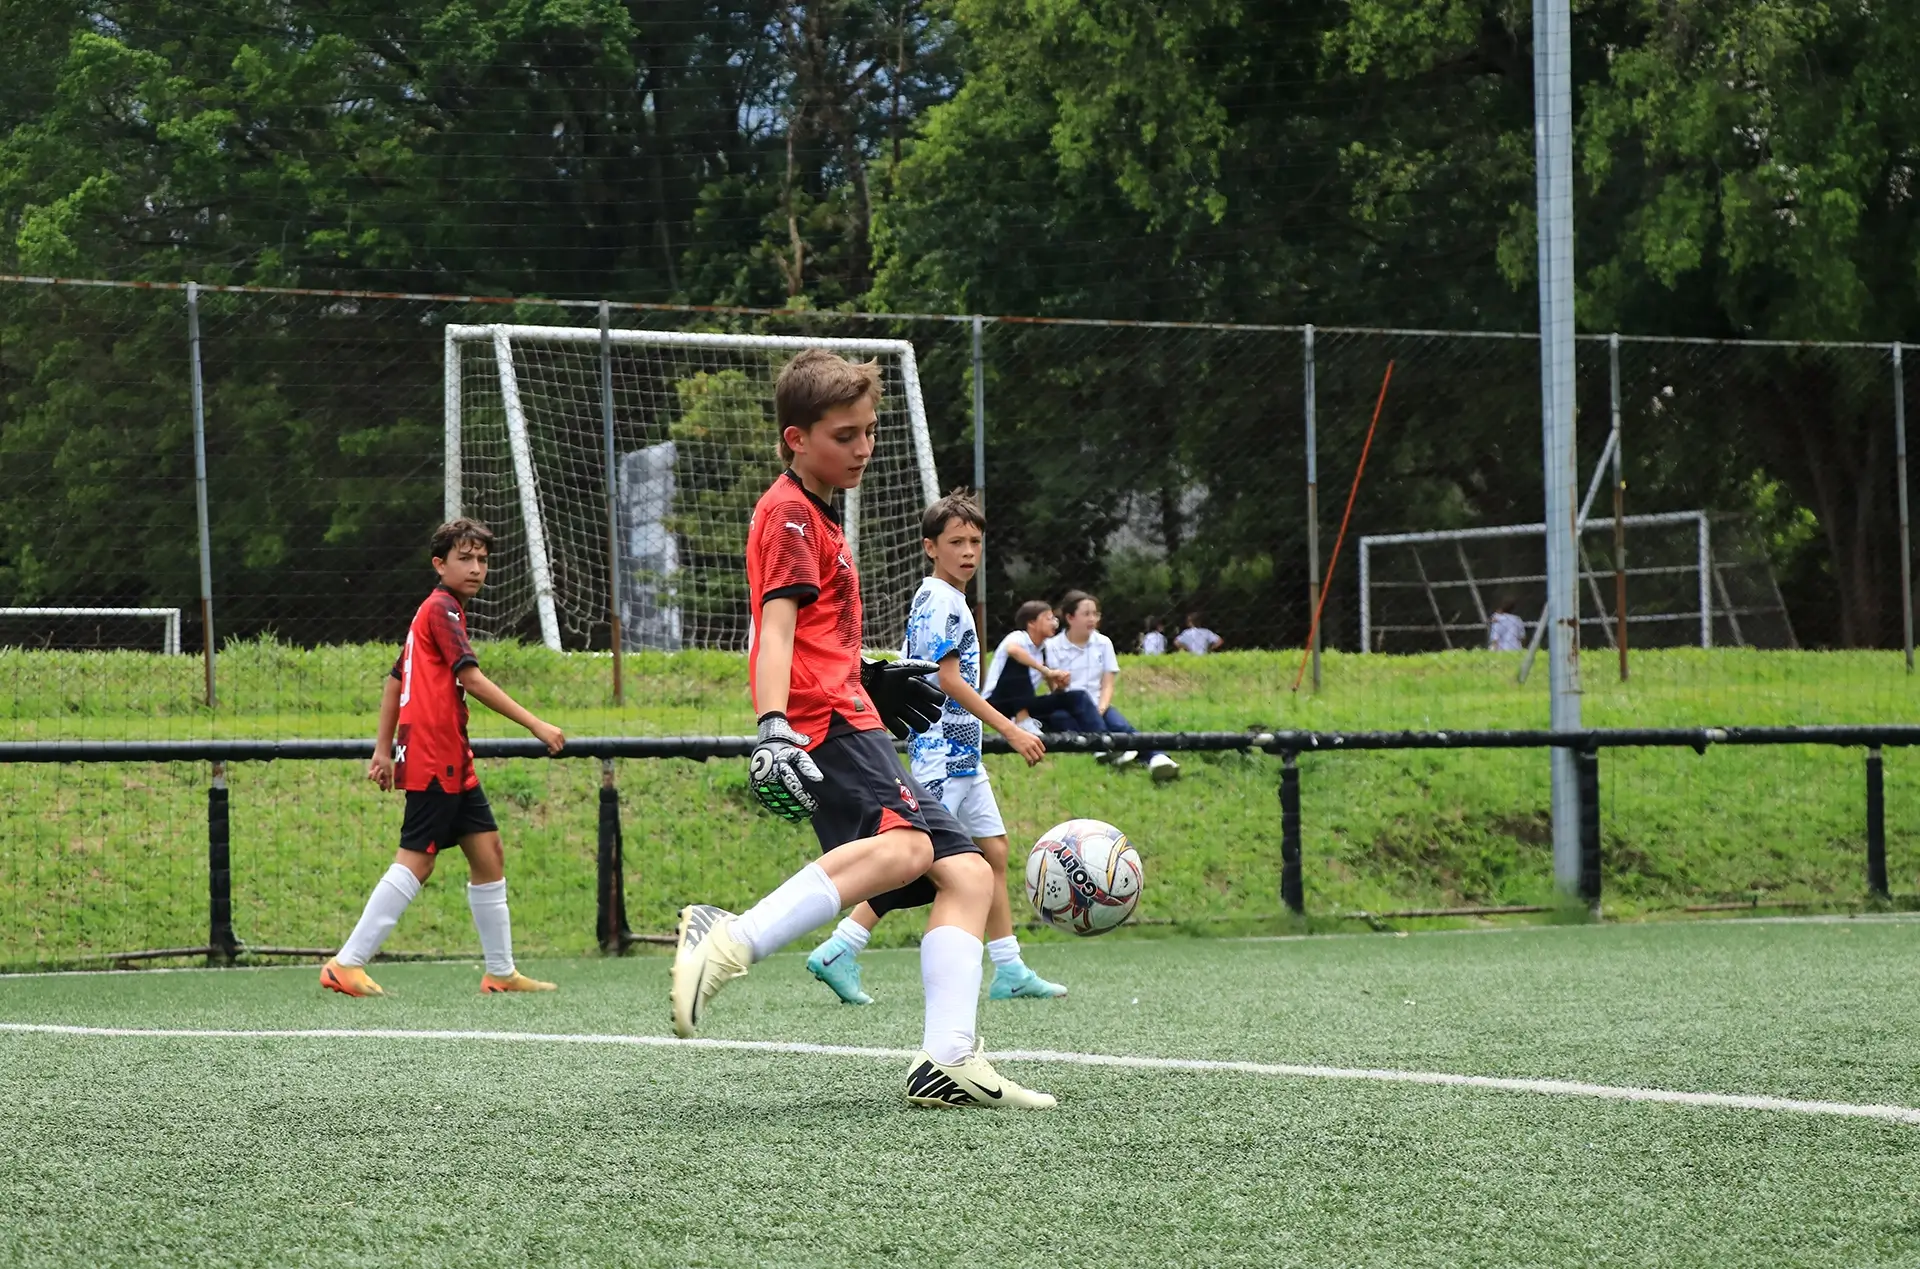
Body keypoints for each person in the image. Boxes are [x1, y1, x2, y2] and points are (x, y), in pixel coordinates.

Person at [668, 348, 1055, 1111]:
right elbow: (774, 630)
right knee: (911, 848)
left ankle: (947, 1060)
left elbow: (813, 629)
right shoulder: (786, 513)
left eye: (870, 431)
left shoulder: (817, 512)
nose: (863, 448)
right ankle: (728, 938)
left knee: (970, 872)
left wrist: (867, 670)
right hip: (824, 724)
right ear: (795, 437)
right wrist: (774, 724)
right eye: (844, 435)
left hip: (852, 712)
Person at [805, 492, 1066, 1007]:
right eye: (956, 542)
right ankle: (840, 947)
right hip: (940, 752)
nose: (968, 551)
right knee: (919, 860)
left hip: (965, 756)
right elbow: (946, 681)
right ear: (931, 547)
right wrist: (1009, 729)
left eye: (975, 541)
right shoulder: (939, 599)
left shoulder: (954, 598)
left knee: (993, 851)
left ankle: (1009, 968)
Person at [320, 518, 565, 998]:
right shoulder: (441, 609)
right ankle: (345, 964)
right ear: (440, 564)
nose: (476, 568)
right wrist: (536, 724)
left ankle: (500, 973)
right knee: (417, 861)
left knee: (488, 854)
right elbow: (471, 679)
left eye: (482, 560)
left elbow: (395, 680)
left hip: (452, 755)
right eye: (465, 559)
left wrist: (383, 749)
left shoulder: (433, 613)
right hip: (436, 754)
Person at [1045, 590, 1179, 783]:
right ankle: (1116, 751)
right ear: (1070, 617)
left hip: (1099, 704)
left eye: (1096, 614)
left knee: (1119, 725)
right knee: (1065, 723)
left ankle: (1157, 758)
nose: (1092, 619)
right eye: (1086, 614)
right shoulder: (1052, 646)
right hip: (1069, 708)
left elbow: (1107, 684)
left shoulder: (1103, 643)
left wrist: (1100, 708)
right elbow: (1056, 691)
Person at [982, 600, 1107, 735]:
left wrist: (1060, 686)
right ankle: (1021, 720)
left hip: (1026, 702)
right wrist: (1046, 671)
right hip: (998, 702)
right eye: (1049, 618)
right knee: (1017, 662)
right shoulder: (1018, 637)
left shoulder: (1045, 649)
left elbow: (1053, 690)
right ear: (1031, 623)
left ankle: (1102, 741)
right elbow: (1013, 651)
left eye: (1054, 618)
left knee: (1077, 697)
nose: (1054, 622)